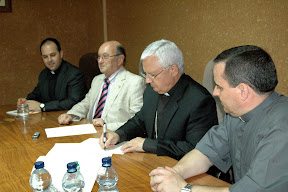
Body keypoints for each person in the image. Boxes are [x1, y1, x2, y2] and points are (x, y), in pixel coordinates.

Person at [149, 45, 288, 192]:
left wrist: (184, 189)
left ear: (243, 91)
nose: (214, 92)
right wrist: (174, 173)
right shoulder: (236, 114)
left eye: (219, 86)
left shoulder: (281, 128)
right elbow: (206, 152)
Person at [100, 39, 218, 160]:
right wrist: (119, 134)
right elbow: (140, 120)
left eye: (152, 75)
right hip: (153, 161)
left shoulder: (200, 100)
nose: (147, 80)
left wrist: (148, 145)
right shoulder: (152, 90)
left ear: (173, 70)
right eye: (145, 74)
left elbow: (195, 149)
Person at [58, 41, 145, 131]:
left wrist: (106, 125)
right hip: (90, 132)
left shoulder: (134, 82)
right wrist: (71, 114)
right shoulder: (97, 80)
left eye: (105, 57)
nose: (100, 61)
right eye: (99, 57)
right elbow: (86, 103)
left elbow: (137, 120)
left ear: (120, 59)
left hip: (113, 136)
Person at [18, 38, 87, 112]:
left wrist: (43, 106)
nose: (49, 60)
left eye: (53, 55)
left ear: (61, 54)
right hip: (49, 118)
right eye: (45, 57)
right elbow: (37, 94)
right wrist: (26, 100)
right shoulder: (44, 74)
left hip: (69, 119)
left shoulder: (74, 74)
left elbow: (73, 102)